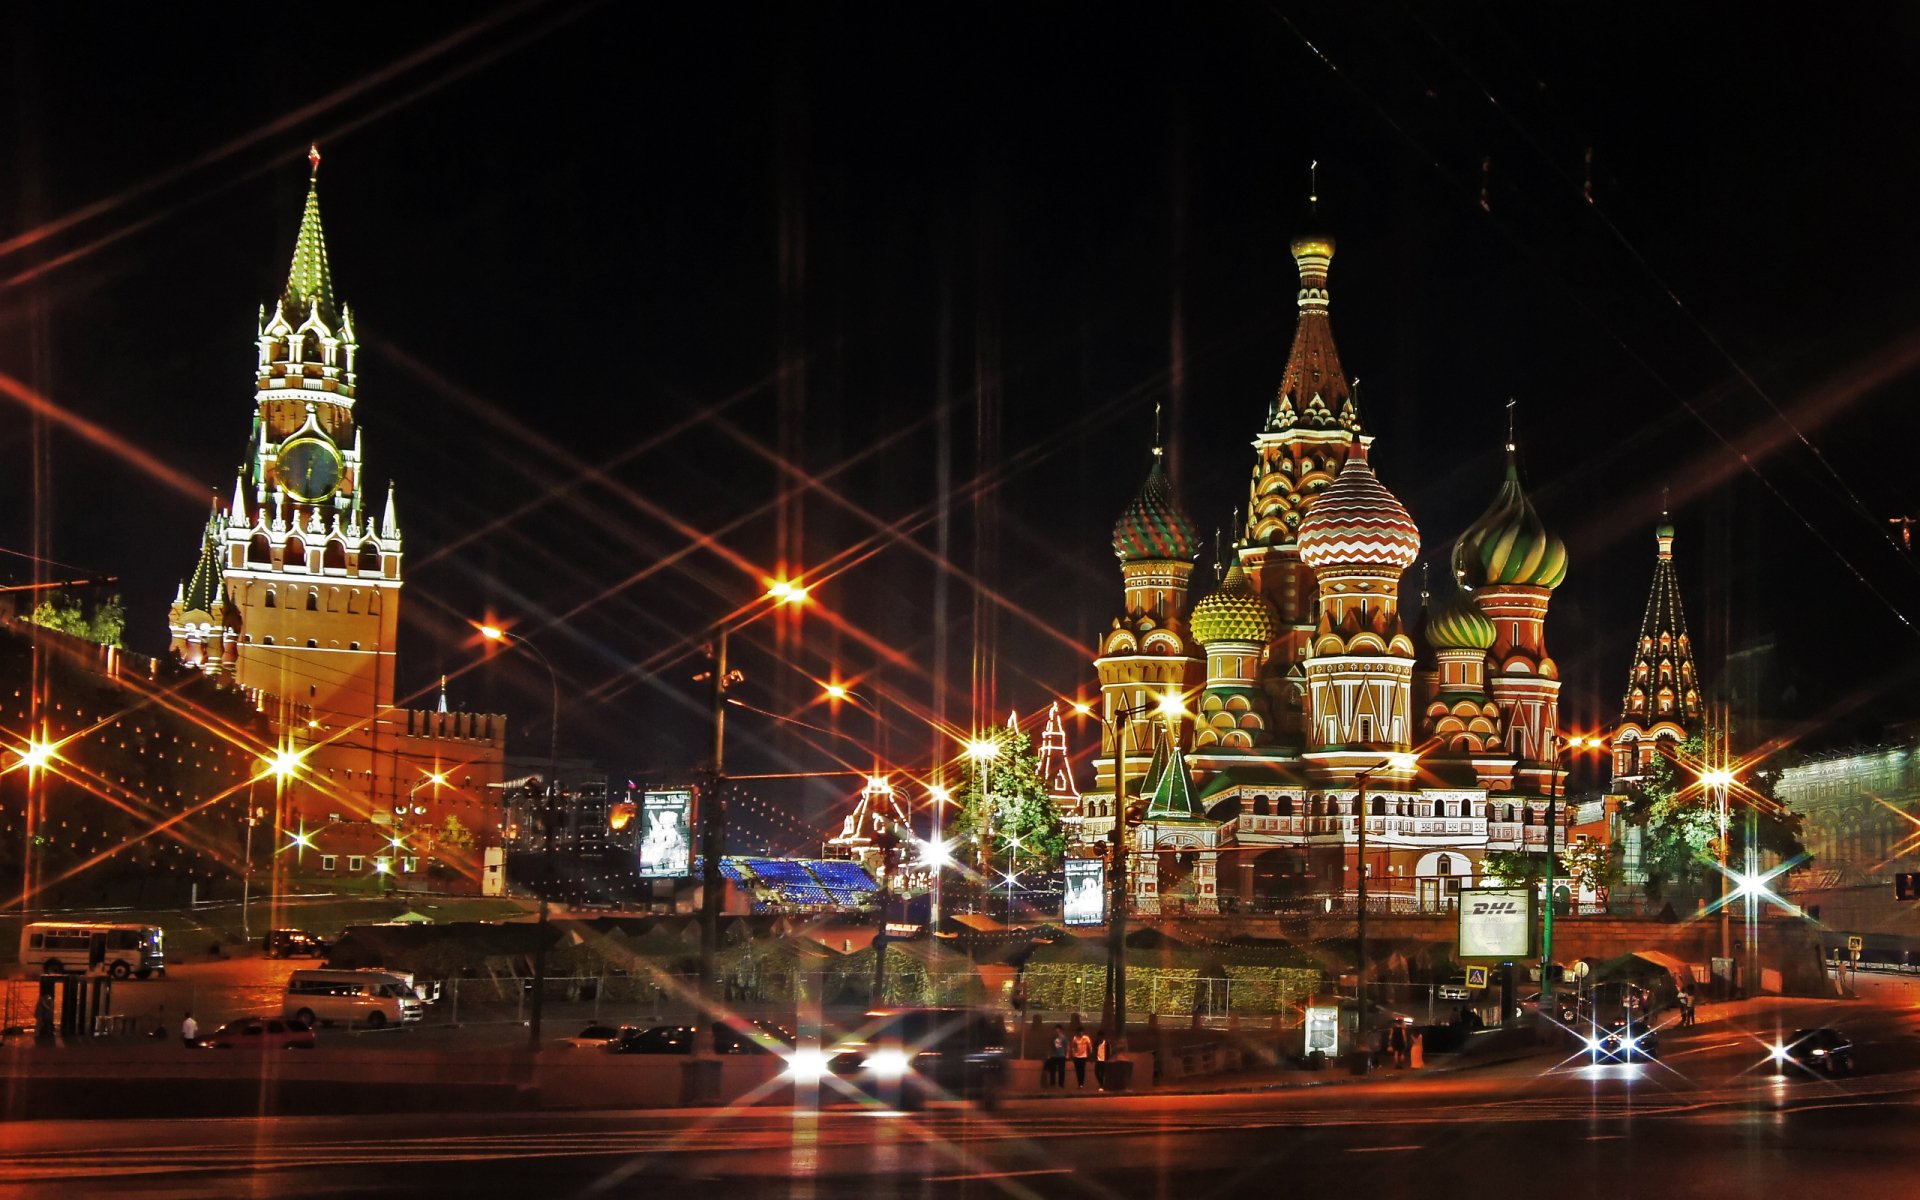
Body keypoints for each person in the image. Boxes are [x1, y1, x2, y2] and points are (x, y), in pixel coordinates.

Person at [1046, 1024, 1067, 1088]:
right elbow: (1051, 1046)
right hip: (1054, 1056)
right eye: (1055, 1029)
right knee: (1053, 1070)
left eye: (1058, 1029)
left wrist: (1067, 1054)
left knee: (1061, 1070)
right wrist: (1049, 1054)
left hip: (1061, 1056)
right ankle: (1052, 1083)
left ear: (1060, 1030)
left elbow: (1067, 1045)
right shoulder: (1053, 1038)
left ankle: (1061, 1084)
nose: (1056, 1031)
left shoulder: (1063, 1037)